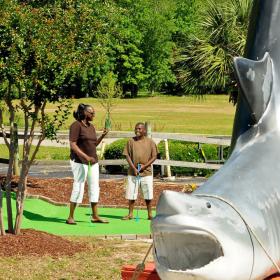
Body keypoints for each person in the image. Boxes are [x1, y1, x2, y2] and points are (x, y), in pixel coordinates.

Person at [66, 103, 109, 225]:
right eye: (92, 113)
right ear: (85, 113)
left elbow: (93, 144)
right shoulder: (76, 126)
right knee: (79, 186)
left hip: (93, 162)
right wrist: (86, 157)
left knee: (94, 187)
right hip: (79, 162)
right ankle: (70, 217)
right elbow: (73, 145)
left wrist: (103, 135)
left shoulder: (91, 127)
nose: (94, 115)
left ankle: (95, 216)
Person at [122, 122, 158, 220]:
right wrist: (134, 168)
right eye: (136, 129)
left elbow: (154, 156)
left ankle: (150, 214)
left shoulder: (150, 142)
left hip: (146, 172)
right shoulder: (131, 141)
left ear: (144, 131)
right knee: (131, 193)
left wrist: (144, 166)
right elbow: (127, 155)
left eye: (139, 129)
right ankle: (130, 214)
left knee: (148, 193)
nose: (137, 130)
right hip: (133, 172)